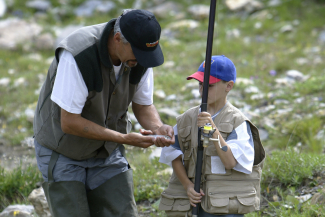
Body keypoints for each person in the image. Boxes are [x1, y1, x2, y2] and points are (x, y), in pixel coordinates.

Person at [33, 9, 175, 217]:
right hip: (62, 149)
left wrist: (157, 128)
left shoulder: (140, 57)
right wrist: (124, 138)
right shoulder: (79, 55)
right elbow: (69, 122)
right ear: (118, 39)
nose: (144, 60)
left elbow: (143, 106)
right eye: (139, 53)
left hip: (106, 151)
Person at [158, 55, 265, 217]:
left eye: (210, 85)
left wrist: (213, 130)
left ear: (229, 86)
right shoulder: (187, 119)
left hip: (225, 205)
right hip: (191, 203)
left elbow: (229, 162)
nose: (203, 90)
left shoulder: (238, 122)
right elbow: (173, 154)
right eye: (200, 84)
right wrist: (187, 186)